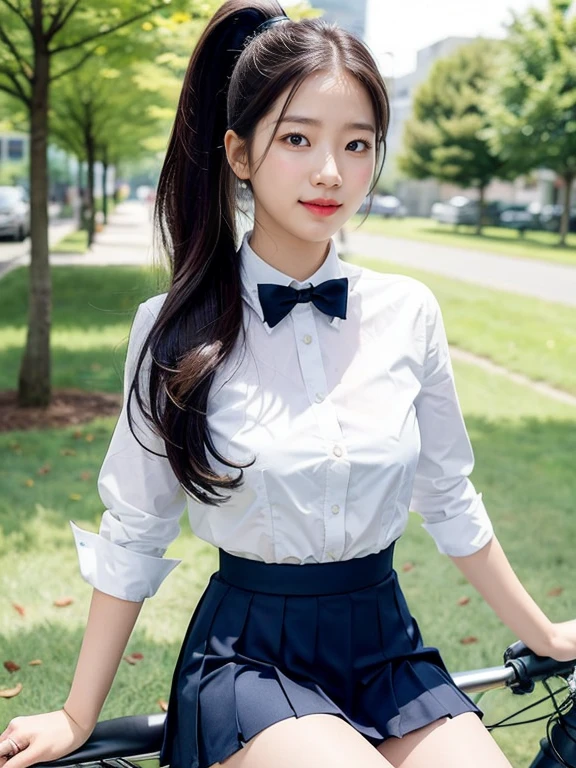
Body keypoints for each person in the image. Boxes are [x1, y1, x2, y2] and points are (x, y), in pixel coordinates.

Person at [2, 3, 576, 768]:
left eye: (357, 144)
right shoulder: (172, 329)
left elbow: (448, 496)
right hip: (249, 657)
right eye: (298, 139)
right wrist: (78, 714)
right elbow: (135, 528)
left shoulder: (409, 313)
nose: (331, 171)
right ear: (239, 153)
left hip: (386, 644)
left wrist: (546, 635)